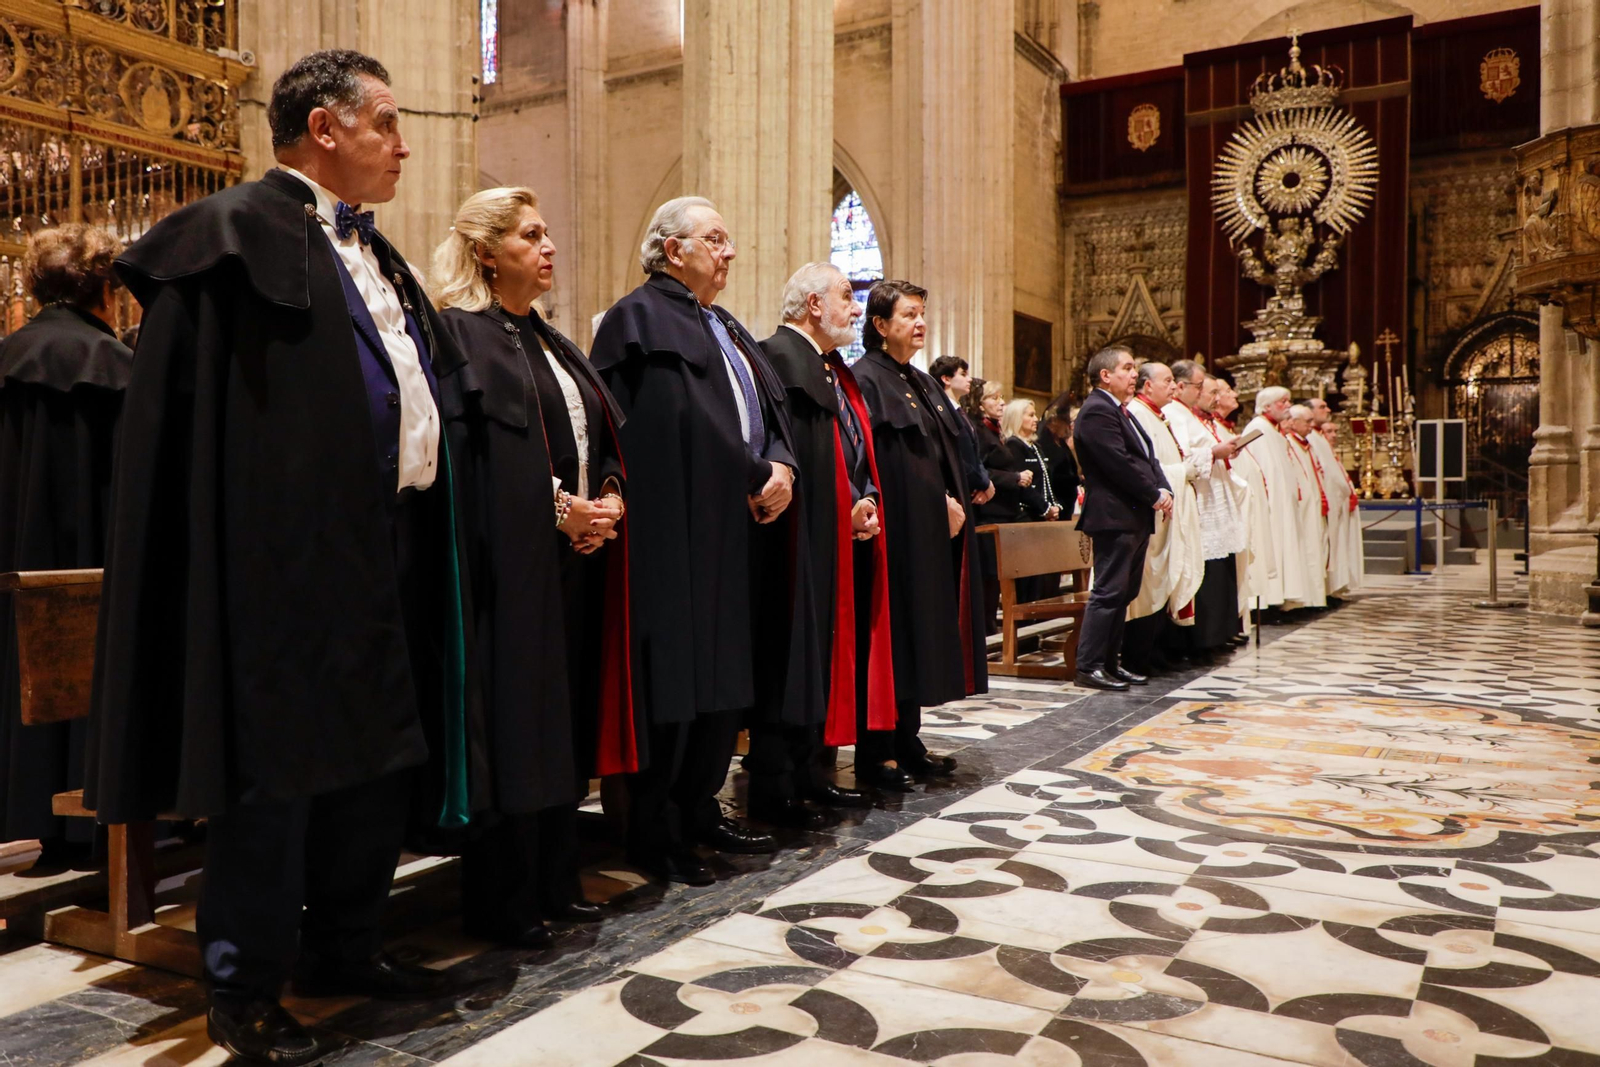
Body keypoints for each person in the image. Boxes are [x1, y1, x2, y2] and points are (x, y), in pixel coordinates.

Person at [86, 50, 484, 1066]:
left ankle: (347, 942)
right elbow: (191, 429)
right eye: (388, 123)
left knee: (377, 758)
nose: (402, 144)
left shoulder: (374, 250)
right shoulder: (231, 236)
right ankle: (244, 984)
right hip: (281, 558)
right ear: (324, 128)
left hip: (387, 537)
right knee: (278, 774)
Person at [590, 196, 814, 886]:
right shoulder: (637, 318)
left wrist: (782, 465)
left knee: (726, 679)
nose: (730, 250)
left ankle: (700, 806)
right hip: (678, 531)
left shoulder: (725, 326)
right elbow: (659, 426)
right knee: (678, 681)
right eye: (715, 238)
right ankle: (654, 825)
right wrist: (755, 470)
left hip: (739, 525)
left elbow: (765, 409)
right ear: (672, 249)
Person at [433, 187, 635, 948]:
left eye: (548, 233)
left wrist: (608, 497)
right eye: (530, 235)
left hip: (576, 560)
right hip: (510, 569)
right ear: (487, 253)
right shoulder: (462, 335)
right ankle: (504, 898)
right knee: (516, 728)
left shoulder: (550, 339)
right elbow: (474, 458)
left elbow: (599, 433)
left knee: (564, 723)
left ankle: (558, 876)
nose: (548, 247)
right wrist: (560, 510)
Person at [0, 225, 131, 863]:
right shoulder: (116, 367)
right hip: (93, 563)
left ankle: (28, 817)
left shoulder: (5, 360)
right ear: (105, 290)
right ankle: (91, 826)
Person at [745, 262, 889, 826]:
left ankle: (812, 774)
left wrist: (858, 499)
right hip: (794, 538)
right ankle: (776, 785)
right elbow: (788, 450)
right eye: (846, 296)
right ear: (812, 305)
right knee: (791, 656)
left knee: (820, 656)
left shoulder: (827, 368)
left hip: (828, 533)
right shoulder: (781, 357)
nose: (856, 309)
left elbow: (841, 449)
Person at [851, 279, 982, 790]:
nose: (920, 322)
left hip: (933, 532)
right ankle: (876, 751)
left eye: (922, 313)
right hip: (898, 533)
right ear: (881, 326)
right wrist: (935, 505)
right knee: (893, 640)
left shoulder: (922, 381)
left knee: (921, 635)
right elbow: (883, 464)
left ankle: (909, 740)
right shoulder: (866, 378)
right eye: (909, 314)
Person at [1071, 345, 1172, 691]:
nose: (1134, 375)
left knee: (1124, 592)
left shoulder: (1121, 411)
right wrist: (1153, 493)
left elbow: (1147, 457)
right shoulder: (1097, 411)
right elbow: (1118, 463)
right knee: (1108, 592)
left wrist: (1165, 487)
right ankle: (1089, 666)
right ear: (1105, 375)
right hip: (1114, 515)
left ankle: (1110, 663)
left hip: (1132, 515)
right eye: (1128, 368)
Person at [1122, 361, 1204, 675]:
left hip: (1166, 511)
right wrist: (1184, 471)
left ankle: (1154, 651)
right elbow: (1145, 469)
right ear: (1147, 386)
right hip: (1153, 513)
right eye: (1167, 381)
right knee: (1148, 585)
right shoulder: (1141, 414)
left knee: (1161, 583)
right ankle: (1138, 655)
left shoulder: (1157, 415)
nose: (1173, 386)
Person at [1165, 361, 1245, 660]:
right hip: (1197, 500)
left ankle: (1217, 633)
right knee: (1202, 570)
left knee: (1218, 565)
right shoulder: (1175, 413)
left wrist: (1222, 450)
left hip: (1212, 497)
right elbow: (1183, 456)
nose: (1203, 392)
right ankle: (1199, 640)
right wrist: (1215, 451)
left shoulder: (1191, 415)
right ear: (1183, 386)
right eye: (1200, 386)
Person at [968, 379, 1036, 629]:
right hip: (989, 511)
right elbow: (980, 470)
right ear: (980, 403)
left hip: (1004, 512)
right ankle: (986, 625)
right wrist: (1015, 478)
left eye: (1001, 397)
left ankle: (990, 623)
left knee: (996, 575)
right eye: (994, 398)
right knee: (988, 575)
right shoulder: (979, 431)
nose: (1001, 403)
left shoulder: (995, 431)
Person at [1240, 386, 1309, 611]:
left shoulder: (1274, 430)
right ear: (1267, 406)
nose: (1288, 406)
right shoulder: (1258, 429)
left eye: (1288, 401)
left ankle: (1281, 598)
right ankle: (1267, 601)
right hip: (1270, 506)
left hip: (1283, 504)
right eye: (1282, 402)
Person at [1308, 398, 1362, 597]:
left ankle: (1333, 589)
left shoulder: (1318, 437)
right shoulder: (1311, 437)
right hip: (1327, 501)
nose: (1328, 409)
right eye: (1322, 407)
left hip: (1335, 500)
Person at [929, 355, 996, 508]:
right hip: (954, 492)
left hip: (970, 490)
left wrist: (985, 482)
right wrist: (985, 484)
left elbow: (975, 456)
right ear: (946, 378)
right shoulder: (941, 412)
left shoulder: (961, 412)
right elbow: (955, 456)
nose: (970, 379)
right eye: (963, 374)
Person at [1281, 403, 1329, 610]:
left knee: (1315, 549)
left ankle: (1314, 598)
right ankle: (1301, 601)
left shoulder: (1305, 444)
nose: (1312, 425)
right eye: (1307, 421)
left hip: (1312, 505)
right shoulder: (1289, 443)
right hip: (1300, 508)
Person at [1001, 399, 1061, 521]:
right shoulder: (1013, 445)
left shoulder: (1035, 446)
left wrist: (1053, 505)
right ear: (1017, 418)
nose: (1037, 419)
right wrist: (1045, 508)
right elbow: (1023, 485)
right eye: (1031, 415)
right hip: (1024, 515)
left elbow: (1045, 480)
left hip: (1040, 514)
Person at [1039, 392, 1080, 521]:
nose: (1069, 428)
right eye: (1066, 422)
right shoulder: (1044, 441)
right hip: (1055, 506)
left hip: (1066, 505)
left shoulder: (1060, 441)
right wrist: (1076, 479)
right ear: (1055, 421)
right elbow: (1051, 472)